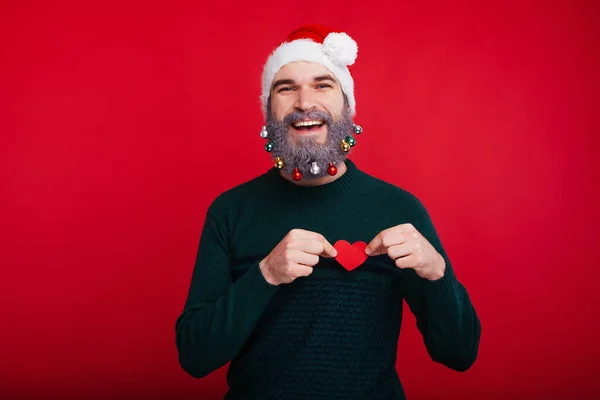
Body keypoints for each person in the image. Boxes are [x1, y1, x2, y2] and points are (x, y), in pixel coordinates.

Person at [175, 24, 481, 400]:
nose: (305, 102)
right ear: (268, 110)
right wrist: (266, 274)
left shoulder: (399, 209)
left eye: (323, 84)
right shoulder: (230, 211)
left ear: (346, 106)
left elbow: (459, 354)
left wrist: (439, 277)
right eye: (286, 87)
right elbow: (194, 356)